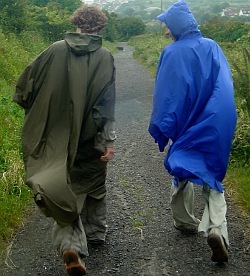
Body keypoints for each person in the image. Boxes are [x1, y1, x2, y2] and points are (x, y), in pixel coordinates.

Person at [13, 5, 116, 275]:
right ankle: (95, 233)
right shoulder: (105, 56)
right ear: (100, 27)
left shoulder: (55, 49)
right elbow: (106, 103)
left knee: (60, 185)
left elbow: (26, 84)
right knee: (93, 180)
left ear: (76, 23)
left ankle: (71, 244)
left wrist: (39, 115)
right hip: (90, 134)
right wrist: (107, 140)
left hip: (54, 134)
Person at [148, 0, 237, 263]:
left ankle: (184, 221)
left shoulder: (172, 52)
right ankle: (216, 229)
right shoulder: (212, 46)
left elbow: (166, 94)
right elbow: (224, 86)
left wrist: (162, 127)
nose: (165, 31)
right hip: (213, 121)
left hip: (185, 123)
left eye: (167, 26)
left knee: (181, 166)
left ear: (175, 26)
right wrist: (221, 120)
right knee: (212, 172)